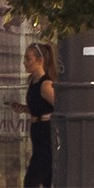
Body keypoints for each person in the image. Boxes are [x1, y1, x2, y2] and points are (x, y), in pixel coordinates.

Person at [22, 43, 50, 188]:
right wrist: (23, 109)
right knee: (47, 178)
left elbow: (60, 107)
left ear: (39, 60)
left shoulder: (46, 85)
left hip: (46, 134)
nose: (25, 63)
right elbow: (39, 107)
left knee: (31, 180)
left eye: (28, 59)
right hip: (38, 132)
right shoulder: (33, 82)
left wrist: (49, 117)